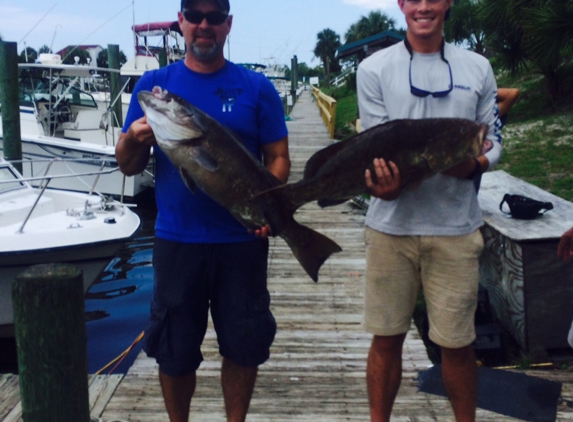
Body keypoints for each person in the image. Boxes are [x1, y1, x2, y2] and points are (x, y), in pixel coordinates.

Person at [115, 1, 290, 421]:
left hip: (241, 242)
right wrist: (136, 139)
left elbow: (279, 158)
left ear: (228, 24)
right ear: (182, 23)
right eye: (194, 16)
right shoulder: (156, 84)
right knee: (174, 352)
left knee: (244, 346)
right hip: (178, 242)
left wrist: (264, 204)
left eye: (214, 17)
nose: (204, 25)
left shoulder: (256, 87)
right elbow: (126, 165)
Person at [356, 0, 502, 421]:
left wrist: (474, 164)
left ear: (448, 3)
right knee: (386, 339)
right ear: (401, 4)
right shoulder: (374, 69)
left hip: (456, 228)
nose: (423, 7)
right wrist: (382, 184)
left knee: (457, 342)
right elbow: (375, 146)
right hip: (390, 229)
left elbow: (494, 139)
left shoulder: (478, 68)